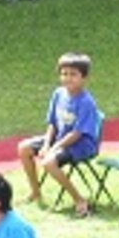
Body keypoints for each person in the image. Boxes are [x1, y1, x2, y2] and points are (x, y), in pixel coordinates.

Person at [18, 53, 102, 218]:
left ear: (84, 77)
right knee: (23, 147)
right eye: (64, 73)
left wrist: (54, 148)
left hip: (81, 144)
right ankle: (35, 192)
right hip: (59, 139)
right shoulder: (58, 94)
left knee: (49, 162)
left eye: (73, 74)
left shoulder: (86, 102)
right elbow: (52, 124)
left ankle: (79, 199)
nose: (68, 78)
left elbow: (78, 133)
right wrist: (46, 144)